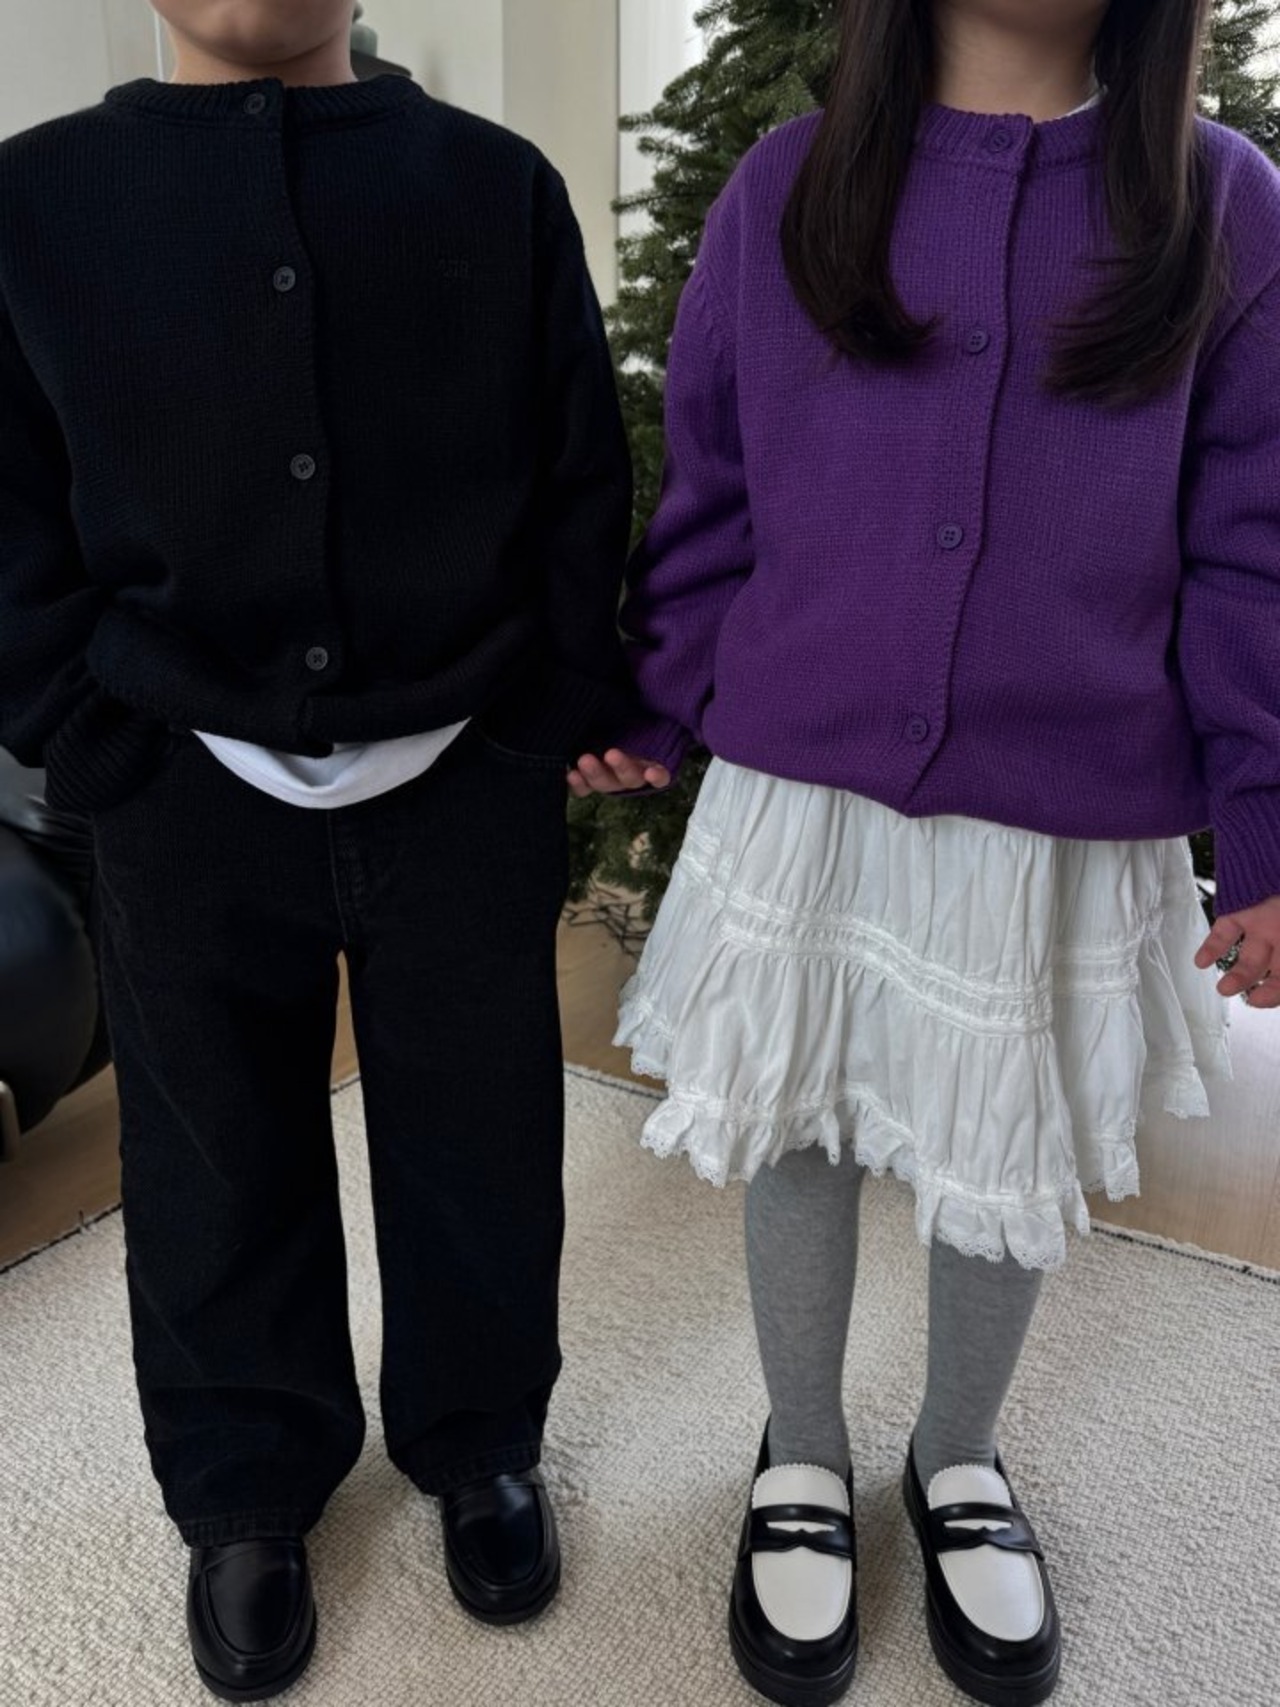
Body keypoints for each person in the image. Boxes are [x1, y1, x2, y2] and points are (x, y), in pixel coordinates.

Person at [573, 1, 1280, 1702]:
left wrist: (1263, 827)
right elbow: (717, 486)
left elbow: (1254, 547)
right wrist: (655, 698)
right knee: (800, 1117)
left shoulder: (1227, 204)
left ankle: (958, 1456)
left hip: (1064, 803)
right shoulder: (790, 184)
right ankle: (800, 1451)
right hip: (805, 776)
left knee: (999, 1143)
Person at [0, 1, 634, 1698]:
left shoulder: (494, 187)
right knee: (209, 1152)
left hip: (464, 766)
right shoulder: (33, 203)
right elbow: (8, 506)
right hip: (174, 776)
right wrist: (82, 726)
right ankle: (246, 1479)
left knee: (480, 1130)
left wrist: (543, 718)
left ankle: (481, 1436)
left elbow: (579, 471)